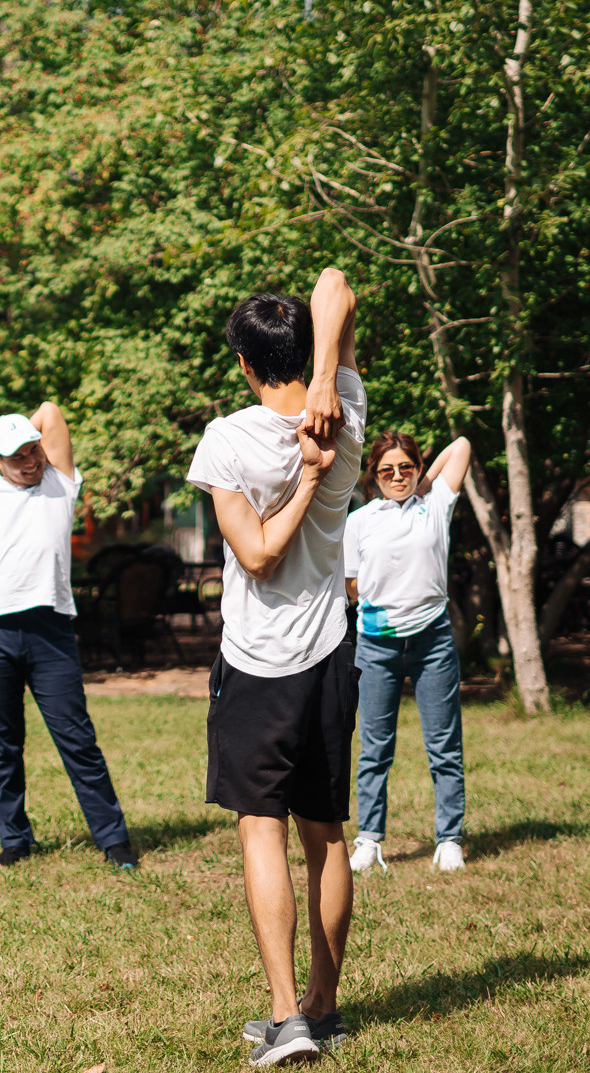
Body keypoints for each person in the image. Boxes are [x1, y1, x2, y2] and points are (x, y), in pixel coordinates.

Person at [186, 271, 362, 1066]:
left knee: (263, 832)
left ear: (247, 364)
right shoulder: (347, 410)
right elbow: (336, 282)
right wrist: (326, 380)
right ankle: (324, 1006)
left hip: (258, 662)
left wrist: (310, 479)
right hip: (331, 653)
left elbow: (255, 553)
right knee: (325, 837)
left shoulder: (228, 437)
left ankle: (290, 1013)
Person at [0, 402, 137, 872]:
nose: (29, 461)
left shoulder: (59, 485)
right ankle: (15, 841)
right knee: (3, 744)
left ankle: (114, 840)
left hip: (50, 630)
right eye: (15, 455)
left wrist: (22, 428)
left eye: (32, 449)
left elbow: (50, 410)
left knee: (77, 739)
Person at [342, 432, 473, 876]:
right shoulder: (359, 521)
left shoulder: (434, 505)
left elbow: (462, 444)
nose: (397, 476)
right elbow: (350, 586)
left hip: (432, 640)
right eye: (387, 470)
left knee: (444, 745)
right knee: (375, 747)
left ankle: (449, 838)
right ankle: (369, 839)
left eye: (406, 467)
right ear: (373, 476)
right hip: (376, 644)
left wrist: (426, 482)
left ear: (417, 468)